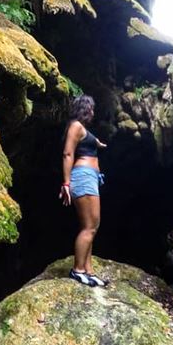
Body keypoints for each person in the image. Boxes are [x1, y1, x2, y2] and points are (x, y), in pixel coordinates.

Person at [59, 95, 108, 287]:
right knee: (89, 227)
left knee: (92, 227)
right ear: (84, 109)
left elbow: (90, 141)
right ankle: (77, 270)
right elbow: (67, 153)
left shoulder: (82, 130)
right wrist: (66, 183)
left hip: (91, 177)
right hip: (83, 177)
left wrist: (97, 143)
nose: (93, 112)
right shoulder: (75, 126)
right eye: (91, 108)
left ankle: (88, 270)